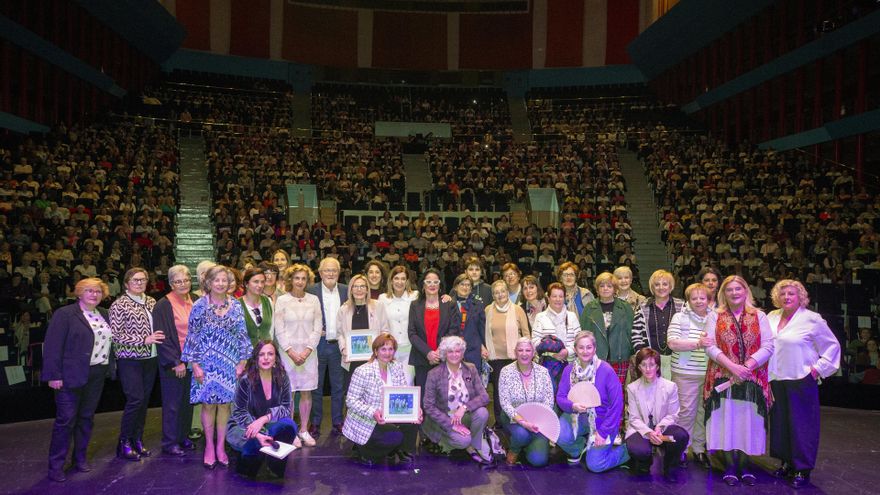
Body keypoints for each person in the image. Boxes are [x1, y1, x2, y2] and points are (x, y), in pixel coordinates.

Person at [767, 280, 841, 488]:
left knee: (803, 426)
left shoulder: (812, 319)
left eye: (791, 293)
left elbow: (832, 346)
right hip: (775, 379)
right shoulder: (771, 317)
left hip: (801, 379)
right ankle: (787, 463)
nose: (787, 297)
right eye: (783, 294)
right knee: (781, 425)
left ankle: (802, 468)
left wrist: (817, 369)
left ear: (801, 297)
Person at [703, 275, 774, 486]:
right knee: (725, 421)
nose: (734, 293)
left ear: (746, 291)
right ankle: (729, 466)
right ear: (723, 293)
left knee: (747, 422)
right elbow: (710, 346)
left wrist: (747, 367)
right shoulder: (714, 316)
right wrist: (732, 367)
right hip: (722, 376)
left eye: (738, 289)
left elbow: (769, 346)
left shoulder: (759, 316)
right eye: (729, 289)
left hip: (752, 378)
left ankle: (744, 465)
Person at [182, 265, 253, 469]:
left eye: (224, 280)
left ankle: (221, 447)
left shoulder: (237, 306)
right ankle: (209, 447)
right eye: (217, 280)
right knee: (208, 405)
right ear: (209, 283)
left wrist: (242, 362)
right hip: (205, 363)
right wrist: (194, 364)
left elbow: (242, 335)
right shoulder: (199, 305)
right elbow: (192, 337)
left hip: (229, 364)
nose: (221, 283)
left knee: (224, 406)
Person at [43, 278, 112, 482]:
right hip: (69, 375)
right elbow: (53, 346)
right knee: (66, 421)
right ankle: (56, 466)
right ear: (79, 293)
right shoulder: (64, 314)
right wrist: (53, 375)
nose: (94, 294)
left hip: (97, 374)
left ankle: (79, 458)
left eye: (98, 291)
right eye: (89, 291)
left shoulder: (105, 314)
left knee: (86, 419)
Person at [343, 333, 422, 466]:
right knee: (394, 435)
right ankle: (365, 451)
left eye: (390, 349)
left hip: (391, 415)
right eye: (383, 349)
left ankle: (402, 450)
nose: (387, 353)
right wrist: (373, 412)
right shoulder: (362, 371)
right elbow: (351, 401)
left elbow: (403, 392)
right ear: (375, 351)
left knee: (413, 420)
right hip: (367, 418)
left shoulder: (397, 367)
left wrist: (415, 409)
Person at [556, 331, 629, 473]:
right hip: (577, 416)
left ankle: (627, 451)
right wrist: (572, 406)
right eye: (581, 347)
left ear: (595, 349)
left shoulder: (606, 370)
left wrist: (603, 433)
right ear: (575, 349)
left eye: (589, 347)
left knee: (596, 465)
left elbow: (616, 405)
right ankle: (578, 448)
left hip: (603, 420)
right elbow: (560, 397)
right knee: (559, 434)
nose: (585, 351)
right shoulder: (569, 370)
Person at [109, 267, 162, 461]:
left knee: (144, 401)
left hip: (151, 358)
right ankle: (124, 442)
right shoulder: (119, 304)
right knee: (135, 400)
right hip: (129, 359)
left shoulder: (151, 301)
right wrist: (143, 339)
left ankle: (137, 439)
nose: (139, 283)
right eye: (135, 280)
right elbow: (115, 335)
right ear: (126, 283)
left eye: (143, 280)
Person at [226, 340, 298, 478]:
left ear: (275, 358)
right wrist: (257, 433)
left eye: (270, 354)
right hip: (245, 427)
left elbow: (286, 408)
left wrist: (264, 419)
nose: (266, 358)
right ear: (256, 358)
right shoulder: (245, 380)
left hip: (269, 425)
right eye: (261, 354)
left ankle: (274, 464)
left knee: (290, 425)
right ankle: (252, 457)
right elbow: (238, 412)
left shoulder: (283, 377)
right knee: (248, 472)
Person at [421, 336, 492, 464]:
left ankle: (473, 446)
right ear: (444, 353)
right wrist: (451, 424)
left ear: (462, 352)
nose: (454, 355)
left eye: (458, 351)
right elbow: (428, 406)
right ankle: (446, 441)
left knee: (482, 413)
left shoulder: (470, 368)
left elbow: (484, 397)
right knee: (462, 441)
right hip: (444, 419)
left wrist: (464, 407)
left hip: (464, 415)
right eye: (450, 351)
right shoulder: (434, 374)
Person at [274, 264, 323, 448]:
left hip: (309, 353)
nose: (300, 282)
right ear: (290, 280)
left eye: (303, 278)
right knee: (289, 392)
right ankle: (292, 431)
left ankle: (304, 430)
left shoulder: (314, 300)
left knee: (306, 391)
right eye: (296, 278)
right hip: (288, 354)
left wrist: (308, 350)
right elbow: (279, 329)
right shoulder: (282, 301)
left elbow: (317, 328)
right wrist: (291, 351)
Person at [666, 283, 713, 469]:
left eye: (702, 297)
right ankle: (682, 450)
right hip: (686, 373)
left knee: (703, 413)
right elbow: (672, 343)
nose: (699, 301)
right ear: (688, 300)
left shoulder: (714, 317)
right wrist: (698, 343)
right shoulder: (680, 317)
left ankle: (699, 449)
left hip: (709, 373)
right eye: (694, 298)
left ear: (708, 299)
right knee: (686, 413)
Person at [625, 348, 689, 481]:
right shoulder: (632, 388)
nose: (648, 369)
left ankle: (670, 466)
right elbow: (634, 418)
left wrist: (659, 428)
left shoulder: (670, 386)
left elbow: (673, 415)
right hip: (641, 430)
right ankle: (644, 463)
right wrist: (649, 433)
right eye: (643, 365)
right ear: (638, 367)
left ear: (658, 366)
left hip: (663, 431)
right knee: (638, 449)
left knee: (680, 436)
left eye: (652, 364)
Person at [155, 265, 198, 456]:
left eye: (186, 280)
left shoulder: (196, 300)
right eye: (178, 281)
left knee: (187, 403)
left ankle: (183, 437)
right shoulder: (163, 305)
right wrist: (175, 362)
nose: (183, 284)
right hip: (175, 362)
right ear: (171, 284)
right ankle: (170, 442)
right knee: (173, 404)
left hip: (193, 361)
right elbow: (161, 337)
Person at [307, 257, 348, 438]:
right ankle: (315, 423)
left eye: (334, 270)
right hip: (318, 345)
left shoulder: (347, 291)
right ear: (320, 272)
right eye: (327, 270)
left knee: (338, 387)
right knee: (316, 386)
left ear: (339, 273)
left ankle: (338, 422)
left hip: (339, 346)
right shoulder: (311, 291)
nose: (330, 273)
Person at [498, 338, 554, 467]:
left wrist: (537, 420)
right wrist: (523, 422)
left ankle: (526, 445)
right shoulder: (506, 372)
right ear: (515, 352)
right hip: (513, 418)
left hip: (538, 421)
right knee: (522, 434)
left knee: (539, 461)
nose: (524, 354)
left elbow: (549, 400)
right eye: (520, 350)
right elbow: (505, 403)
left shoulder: (543, 372)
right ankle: (515, 448)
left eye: (528, 350)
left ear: (533, 352)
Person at [581, 273, 642, 386]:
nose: (605, 289)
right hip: (596, 357)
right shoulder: (589, 308)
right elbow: (584, 333)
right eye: (602, 286)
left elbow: (631, 332)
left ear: (615, 289)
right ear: (597, 289)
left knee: (617, 391)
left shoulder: (625, 307)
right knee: (597, 391)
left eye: (609, 286)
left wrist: (628, 351)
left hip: (620, 358)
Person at [408, 269, 461, 396]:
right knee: (424, 397)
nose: (432, 284)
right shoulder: (415, 305)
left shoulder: (449, 304)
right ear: (423, 285)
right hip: (422, 358)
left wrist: (439, 352)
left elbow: (453, 330)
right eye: (428, 281)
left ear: (440, 285)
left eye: (435, 281)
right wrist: (428, 353)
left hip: (444, 357)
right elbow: (412, 333)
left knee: (444, 397)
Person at [485, 279, 531, 425]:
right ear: (493, 295)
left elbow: (526, 334)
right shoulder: (487, 310)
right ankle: (500, 422)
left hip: (515, 358)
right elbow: (482, 333)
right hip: (495, 359)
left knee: (516, 391)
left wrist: (526, 353)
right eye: (496, 293)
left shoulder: (518, 310)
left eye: (503, 291)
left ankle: (518, 420)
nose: (500, 295)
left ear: (507, 292)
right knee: (499, 392)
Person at [634, 269, 685, 378]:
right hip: (650, 362)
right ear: (652, 288)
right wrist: (645, 357)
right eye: (657, 285)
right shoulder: (642, 307)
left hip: (678, 360)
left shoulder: (682, 306)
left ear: (671, 286)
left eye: (665, 284)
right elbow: (636, 335)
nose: (661, 287)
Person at [531, 282, 580, 390]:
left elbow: (578, 342)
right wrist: (550, 352)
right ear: (548, 297)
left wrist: (567, 352)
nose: (558, 299)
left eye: (560, 296)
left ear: (564, 298)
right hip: (546, 366)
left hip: (569, 365)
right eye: (554, 296)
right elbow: (534, 341)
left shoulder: (572, 317)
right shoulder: (540, 317)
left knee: (566, 396)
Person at [378, 265, 419, 380]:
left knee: (408, 382)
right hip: (390, 350)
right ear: (391, 281)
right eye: (396, 278)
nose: (399, 282)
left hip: (410, 348)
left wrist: (446, 297)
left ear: (407, 281)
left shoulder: (415, 296)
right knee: (390, 383)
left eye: (403, 279)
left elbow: (432, 299)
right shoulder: (383, 298)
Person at [450, 273, 487, 369]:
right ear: (455, 287)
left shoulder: (478, 304)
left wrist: (483, 346)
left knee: (473, 380)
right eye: (462, 284)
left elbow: (481, 328)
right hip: (454, 349)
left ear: (471, 289)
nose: (465, 287)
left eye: (468, 285)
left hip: (473, 349)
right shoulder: (449, 304)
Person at [238, 267, 273, 347]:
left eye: (262, 282)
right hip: (245, 355)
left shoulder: (268, 301)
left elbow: (271, 330)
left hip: (265, 354)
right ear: (246, 284)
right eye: (256, 282)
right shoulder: (237, 304)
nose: (260, 285)